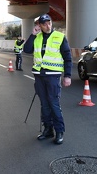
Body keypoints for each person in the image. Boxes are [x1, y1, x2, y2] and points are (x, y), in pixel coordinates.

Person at [23, 14, 72, 145]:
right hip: (39, 76)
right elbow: (26, 50)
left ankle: (59, 131)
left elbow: (68, 57)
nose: (47, 25)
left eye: (49, 22)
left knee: (54, 103)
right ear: (39, 25)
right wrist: (32, 34)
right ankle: (48, 129)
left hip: (53, 76)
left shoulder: (60, 37)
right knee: (44, 104)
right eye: (44, 24)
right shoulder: (37, 37)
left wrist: (67, 76)